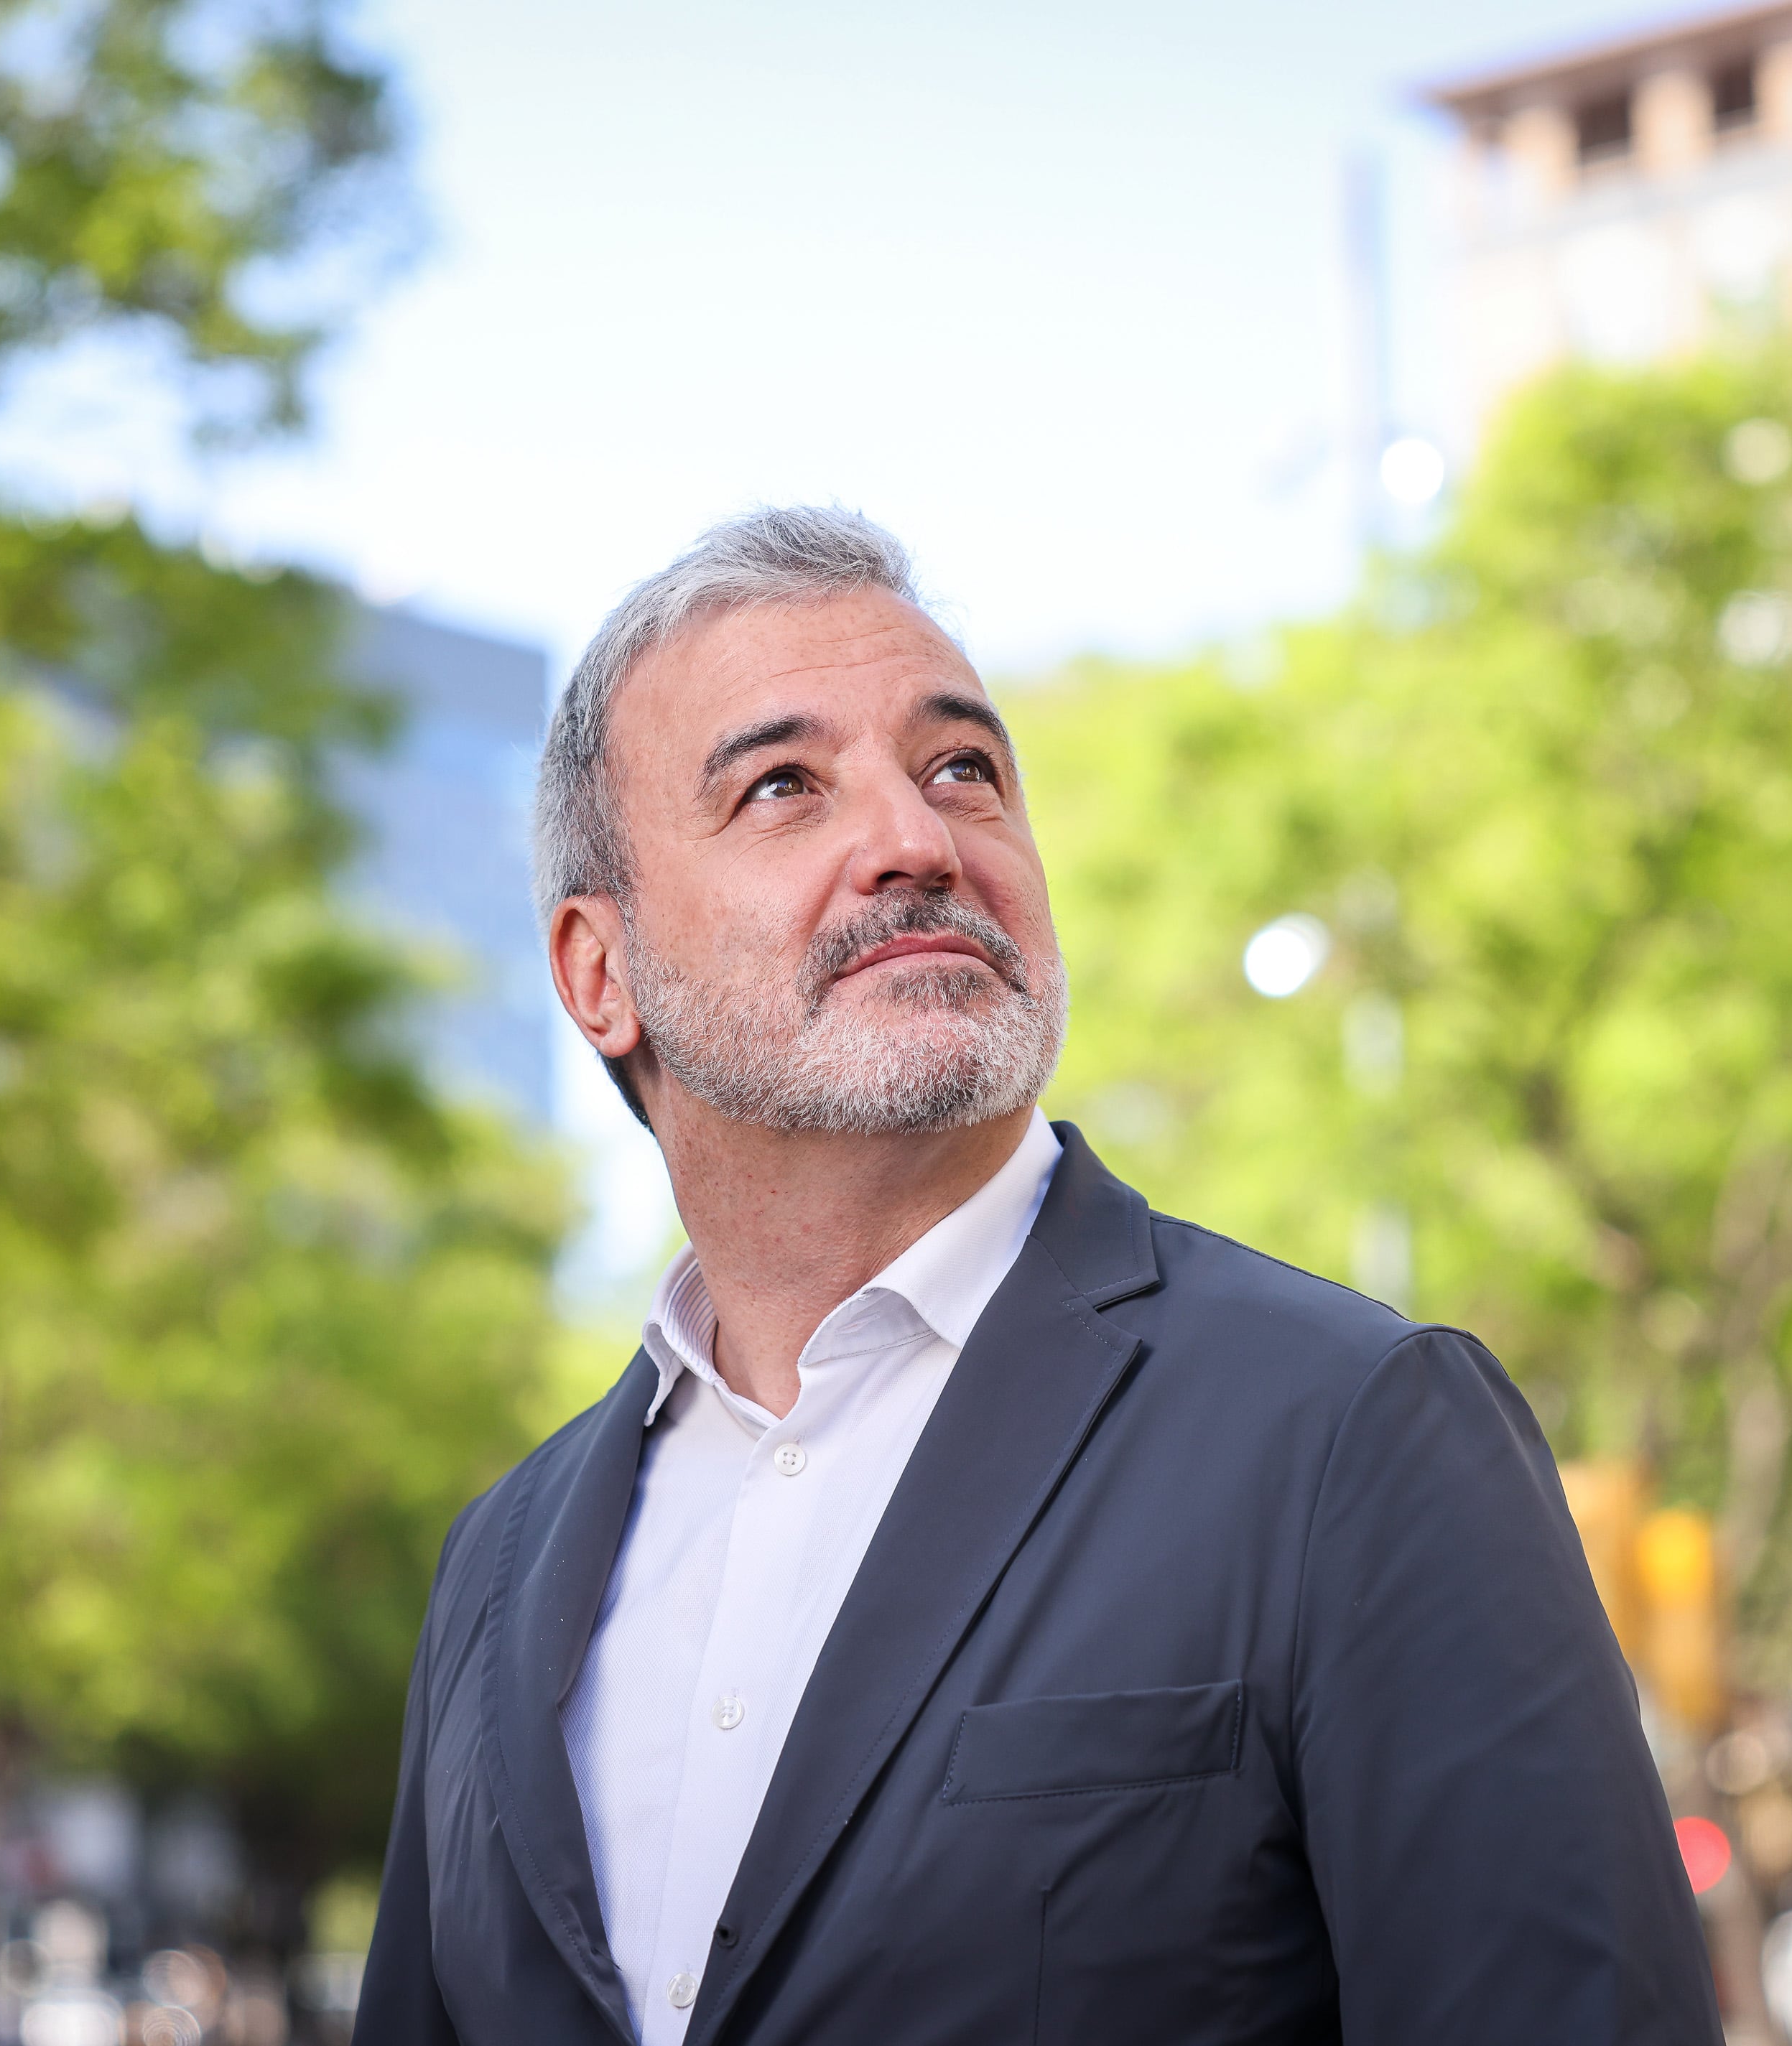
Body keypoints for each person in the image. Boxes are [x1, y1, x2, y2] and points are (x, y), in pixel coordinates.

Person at [350, 508, 1719, 2045]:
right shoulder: (494, 1574)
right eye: (785, 787)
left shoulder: (1355, 1437)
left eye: (962, 771)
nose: (917, 840)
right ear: (599, 972)